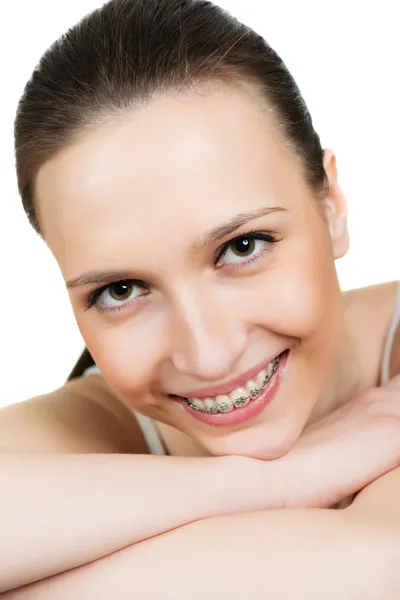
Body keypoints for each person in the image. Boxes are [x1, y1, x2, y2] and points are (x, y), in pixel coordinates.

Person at [2, 0, 400, 596]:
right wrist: (281, 480)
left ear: (330, 207)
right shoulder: (97, 423)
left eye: (243, 247)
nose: (208, 356)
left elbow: (379, 564)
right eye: (121, 290)